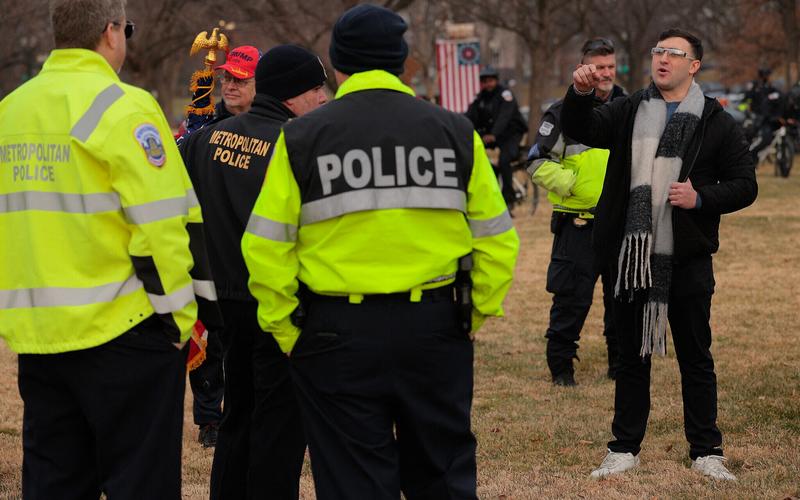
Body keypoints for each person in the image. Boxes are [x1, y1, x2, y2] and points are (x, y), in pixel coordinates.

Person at [241, 5, 520, 498]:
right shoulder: (455, 132)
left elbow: (265, 244)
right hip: (435, 326)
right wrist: (473, 314)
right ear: (402, 61)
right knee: (442, 474)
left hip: (334, 333)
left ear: (337, 64)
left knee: (353, 482)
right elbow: (497, 237)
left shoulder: (301, 136)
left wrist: (288, 329)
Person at [0, 0, 220, 498]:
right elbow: (162, 230)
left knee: (54, 483)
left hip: (39, 341)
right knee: (141, 483)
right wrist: (180, 323)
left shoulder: (10, 112)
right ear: (111, 32)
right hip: (125, 333)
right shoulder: (124, 106)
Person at [562, 28, 757, 481]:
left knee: (696, 355)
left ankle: (706, 449)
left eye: (674, 53)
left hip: (686, 257)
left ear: (694, 66)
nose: (662, 59)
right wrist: (579, 94)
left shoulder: (715, 120)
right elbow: (582, 128)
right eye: (658, 52)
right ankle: (624, 447)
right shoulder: (630, 109)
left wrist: (702, 198)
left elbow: (746, 184)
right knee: (631, 357)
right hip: (629, 258)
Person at [180, 44, 328, 499]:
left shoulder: (205, 141)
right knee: (279, 426)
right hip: (276, 302)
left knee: (237, 413)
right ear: (291, 94)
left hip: (222, 303)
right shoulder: (297, 144)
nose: (322, 98)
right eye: (315, 89)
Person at [528, 38, 625, 386]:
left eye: (611, 66)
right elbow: (536, 161)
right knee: (570, 301)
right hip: (578, 225)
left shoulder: (628, 107)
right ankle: (562, 369)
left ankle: (620, 365)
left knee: (623, 300)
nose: (605, 73)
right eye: (598, 67)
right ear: (584, 67)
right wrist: (574, 183)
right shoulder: (561, 111)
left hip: (620, 225)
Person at [182, 44, 261, 448]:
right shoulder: (204, 126)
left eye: (240, 79)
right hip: (210, 253)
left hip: (253, 256)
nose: (230, 85)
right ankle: (210, 419)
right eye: (227, 78)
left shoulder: (272, 129)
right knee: (209, 343)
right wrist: (191, 128)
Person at [466, 65, 528, 210]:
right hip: (492, 136)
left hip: (511, 133)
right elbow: (471, 116)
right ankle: (493, 190)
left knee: (504, 160)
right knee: (479, 158)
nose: (488, 84)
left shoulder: (505, 94)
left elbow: (504, 117)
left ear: (496, 80)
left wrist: (493, 134)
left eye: (491, 80)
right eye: (485, 81)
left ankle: (509, 199)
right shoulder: (480, 98)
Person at [182, 45, 261, 137]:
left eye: (240, 81)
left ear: (259, 84)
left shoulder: (271, 124)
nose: (230, 87)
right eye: (226, 78)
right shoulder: (202, 120)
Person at [745, 67, 784, 163]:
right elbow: (747, 101)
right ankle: (751, 156)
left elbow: (779, 101)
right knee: (758, 139)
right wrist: (749, 111)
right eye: (766, 75)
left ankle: (754, 156)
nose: (767, 77)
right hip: (757, 119)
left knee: (767, 138)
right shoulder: (755, 87)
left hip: (769, 120)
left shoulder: (772, 89)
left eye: (768, 75)